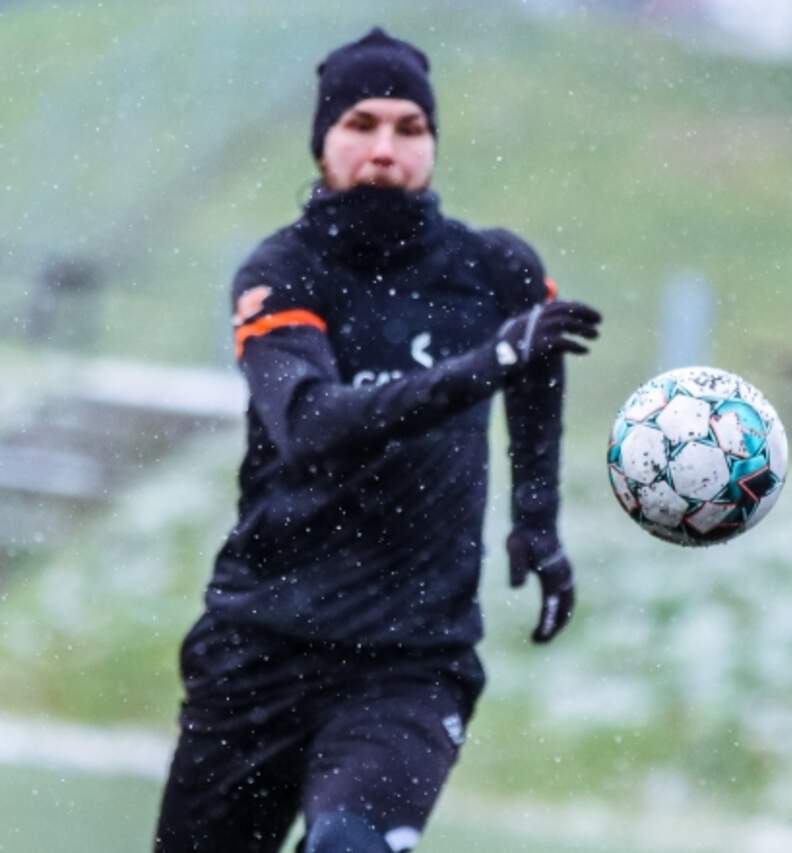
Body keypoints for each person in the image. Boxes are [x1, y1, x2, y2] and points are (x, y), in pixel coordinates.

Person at [154, 28, 601, 853]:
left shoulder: (496, 269)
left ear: (433, 143)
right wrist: (484, 364)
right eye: (360, 125)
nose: (385, 150)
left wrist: (537, 516)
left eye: (409, 128)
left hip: (410, 662)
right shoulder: (280, 273)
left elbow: (539, 362)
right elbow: (312, 425)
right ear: (322, 142)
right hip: (261, 646)